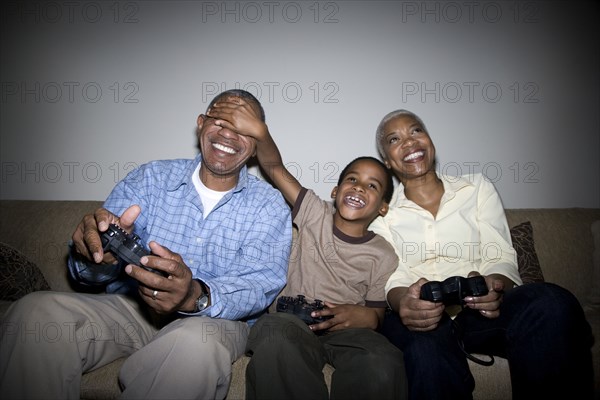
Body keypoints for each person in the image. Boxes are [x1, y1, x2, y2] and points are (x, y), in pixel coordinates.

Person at [0, 89, 292, 400]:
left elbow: (260, 284)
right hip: (132, 311)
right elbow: (88, 268)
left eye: (243, 129)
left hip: (212, 322)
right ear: (201, 124)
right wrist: (98, 255)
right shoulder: (150, 177)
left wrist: (195, 294)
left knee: (195, 347)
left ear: (255, 146)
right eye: (220, 121)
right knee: (37, 311)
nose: (229, 135)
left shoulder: (269, 205)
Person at [369, 109, 595, 399]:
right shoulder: (383, 213)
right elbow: (392, 275)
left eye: (416, 131)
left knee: (551, 300)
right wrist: (404, 303)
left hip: (479, 312)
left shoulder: (476, 188)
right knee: (424, 349)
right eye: (394, 139)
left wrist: (494, 284)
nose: (410, 142)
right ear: (387, 161)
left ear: (429, 140)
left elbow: (499, 254)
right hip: (424, 318)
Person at [207, 98, 407, 400]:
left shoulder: (383, 253)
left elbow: (376, 314)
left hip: (349, 334)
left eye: (372, 186)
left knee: (383, 360)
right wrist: (260, 132)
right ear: (335, 192)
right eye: (352, 180)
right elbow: (273, 167)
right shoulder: (314, 211)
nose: (358, 188)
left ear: (382, 208)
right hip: (290, 323)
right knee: (275, 342)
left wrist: (370, 318)